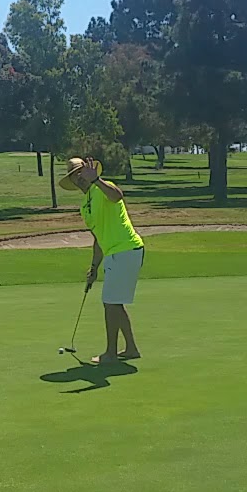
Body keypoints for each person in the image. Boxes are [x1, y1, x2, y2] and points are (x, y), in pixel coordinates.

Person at [60, 156, 144, 364]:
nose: (79, 177)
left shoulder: (103, 188)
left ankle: (111, 353)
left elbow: (117, 196)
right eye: (74, 175)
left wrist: (97, 180)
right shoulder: (84, 206)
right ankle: (131, 349)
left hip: (126, 247)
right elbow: (98, 238)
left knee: (110, 303)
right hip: (115, 253)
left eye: (81, 172)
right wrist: (94, 267)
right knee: (115, 303)